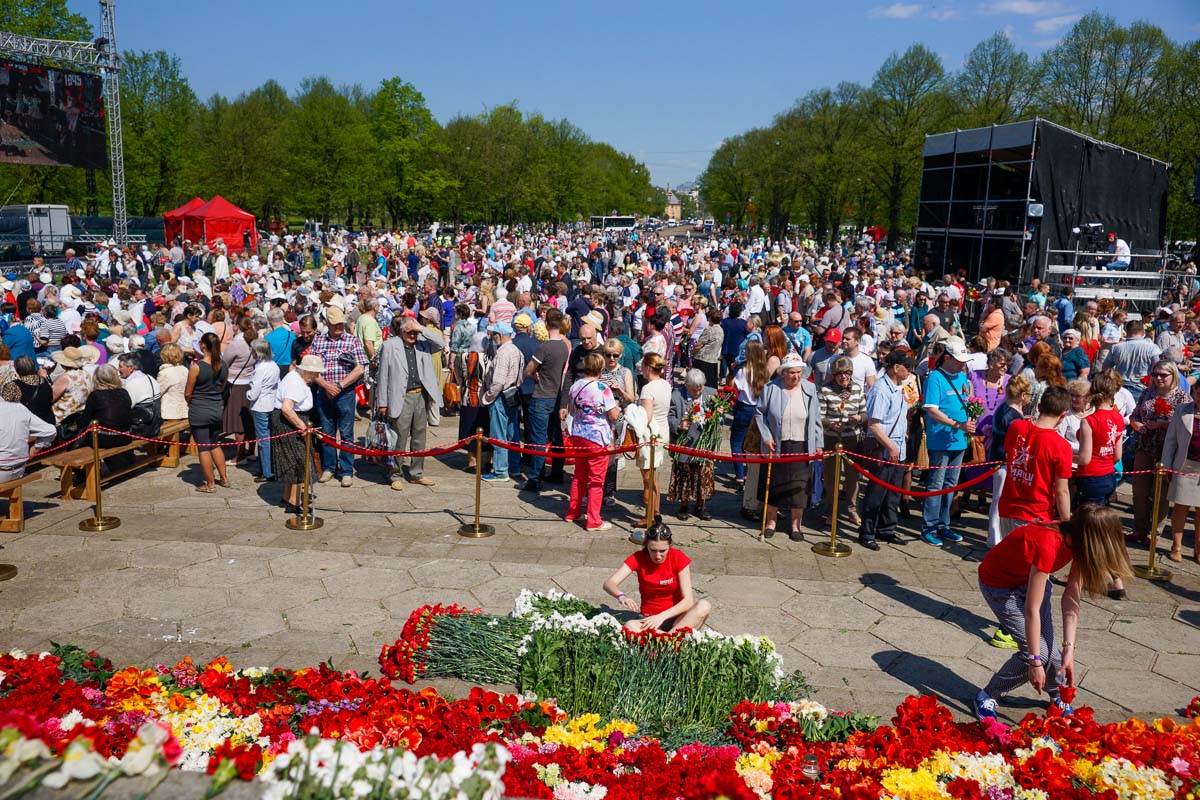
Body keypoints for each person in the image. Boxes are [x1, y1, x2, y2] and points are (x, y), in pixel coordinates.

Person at [973, 504, 1133, 722]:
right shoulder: (1049, 543)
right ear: (1093, 541)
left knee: (1056, 657)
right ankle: (987, 695)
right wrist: (1035, 663)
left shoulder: (1078, 543)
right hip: (1000, 587)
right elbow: (1032, 610)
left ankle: (1056, 696)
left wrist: (1069, 650)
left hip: (1030, 579)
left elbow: (1071, 598)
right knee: (1035, 653)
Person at [602, 516, 711, 632]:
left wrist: (662, 616)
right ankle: (672, 640)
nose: (658, 556)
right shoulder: (638, 558)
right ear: (646, 546)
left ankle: (667, 639)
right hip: (650, 618)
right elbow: (609, 583)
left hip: (677, 617)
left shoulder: (678, 557)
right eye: (653, 550)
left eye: (663, 551)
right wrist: (621, 596)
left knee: (704, 606)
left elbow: (688, 601)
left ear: (670, 545)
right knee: (630, 626)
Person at [755, 352, 822, 540]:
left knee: (799, 488)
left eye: (799, 372)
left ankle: (795, 525)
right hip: (777, 444)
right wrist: (766, 437)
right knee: (774, 486)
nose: (795, 376)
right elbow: (760, 413)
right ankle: (771, 522)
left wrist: (818, 444)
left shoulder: (809, 389)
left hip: (801, 444)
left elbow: (815, 418)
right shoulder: (771, 388)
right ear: (783, 372)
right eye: (791, 372)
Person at [376, 315, 444, 490]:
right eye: (409, 332)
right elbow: (382, 376)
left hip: (420, 395)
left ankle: (416, 473)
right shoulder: (390, 346)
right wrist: (382, 402)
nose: (412, 335)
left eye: (415, 332)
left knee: (420, 435)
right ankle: (395, 473)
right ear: (401, 330)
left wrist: (421, 328)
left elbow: (441, 343)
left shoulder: (423, 343)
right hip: (401, 396)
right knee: (399, 435)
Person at [996, 386, 1073, 540]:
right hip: (1035, 514)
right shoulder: (1061, 446)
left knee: (1010, 558)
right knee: (1026, 563)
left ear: (1039, 407)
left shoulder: (1016, 427)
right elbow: (1061, 491)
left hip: (1007, 508)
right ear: (1064, 414)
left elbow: (1008, 453)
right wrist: (1066, 522)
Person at [920, 338, 976, 546]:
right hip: (940, 439)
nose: (963, 364)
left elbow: (968, 402)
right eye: (959, 360)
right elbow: (931, 409)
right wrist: (957, 425)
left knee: (951, 484)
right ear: (947, 357)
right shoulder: (934, 377)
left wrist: (970, 417)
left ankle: (944, 524)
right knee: (936, 484)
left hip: (959, 440)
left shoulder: (962, 376)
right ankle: (929, 526)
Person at [859, 350, 915, 550]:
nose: (908, 370)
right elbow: (874, 424)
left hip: (899, 447)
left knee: (892, 493)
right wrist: (890, 446)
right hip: (885, 448)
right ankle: (867, 532)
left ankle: (887, 529)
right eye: (905, 367)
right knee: (877, 492)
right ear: (895, 367)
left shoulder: (900, 387)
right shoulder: (880, 389)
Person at [1128, 359, 1188, 547]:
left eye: (1163, 375)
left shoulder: (1182, 398)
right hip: (1145, 445)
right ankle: (1139, 528)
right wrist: (1136, 424)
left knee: (1161, 492)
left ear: (1173, 376)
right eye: (1156, 374)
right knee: (1139, 489)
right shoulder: (1147, 393)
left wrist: (1163, 425)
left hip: (1167, 449)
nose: (1159, 378)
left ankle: (1155, 531)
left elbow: (1186, 425)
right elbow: (1135, 414)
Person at [308, 306, 368, 487]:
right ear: (327, 324)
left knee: (347, 433)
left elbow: (360, 367)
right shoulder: (319, 342)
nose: (339, 327)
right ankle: (329, 467)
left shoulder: (352, 341)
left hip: (345, 392)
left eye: (341, 324)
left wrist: (341, 385)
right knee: (327, 433)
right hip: (324, 392)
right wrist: (325, 385)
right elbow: (311, 368)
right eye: (335, 325)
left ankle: (346, 470)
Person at [563, 351, 621, 531]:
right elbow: (612, 414)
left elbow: (572, 411)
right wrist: (618, 407)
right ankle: (594, 520)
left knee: (579, 475)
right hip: (597, 437)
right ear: (601, 369)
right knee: (597, 480)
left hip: (579, 434)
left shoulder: (576, 386)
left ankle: (572, 511)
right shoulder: (603, 389)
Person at [522, 308, 571, 493]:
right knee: (556, 436)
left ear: (546, 324)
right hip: (556, 396)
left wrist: (535, 374)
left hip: (541, 396)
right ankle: (557, 472)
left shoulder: (545, 347)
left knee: (538, 439)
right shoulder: (564, 346)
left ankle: (535, 477)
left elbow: (528, 370)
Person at [273, 354, 324, 515]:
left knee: (293, 460)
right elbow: (287, 408)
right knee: (298, 462)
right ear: (307, 371)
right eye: (315, 373)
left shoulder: (295, 378)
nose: (317, 377)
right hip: (289, 423)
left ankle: (288, 497)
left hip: (291, 421)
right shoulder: (295, 382)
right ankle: (294, 502)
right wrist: (302, 426)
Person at [819, 356, 866, 527]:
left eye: (847, 373)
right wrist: (831, 424)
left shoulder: (858, 390)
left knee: (853, 477)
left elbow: (865, 413)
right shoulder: (825, 390)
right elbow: (820, 415)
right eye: (840, 374)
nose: (844, 377)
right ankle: (831, 511)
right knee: (832, 478)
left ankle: (852, 510)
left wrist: (858, 418)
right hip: (831, 439)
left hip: (852, 439)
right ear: (833, 375)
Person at [667, 368, 717, 521]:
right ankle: (684, 505)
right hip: (686, 442)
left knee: (703, 475)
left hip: (704, 443)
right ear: (687, 386)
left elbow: (719, 417)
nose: (698, 391)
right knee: (685, 474)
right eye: (694, 389)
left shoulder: (712, 393)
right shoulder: (676, 396)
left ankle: (701, 506)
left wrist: (718, 415)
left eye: (700, 387)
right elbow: (669, 416)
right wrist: (678, 424)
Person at [1160, 377, 1200, 563]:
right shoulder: (1182, 410)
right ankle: (1176, 546)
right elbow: (1171, 441)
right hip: (1184, 465)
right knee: (1180, 508)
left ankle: (1198, 549)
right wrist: (1167, 466)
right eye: (1198, 394)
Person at [186, 332, 230, 493]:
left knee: (203, 447)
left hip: (199, 409)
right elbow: (223, 386)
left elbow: (188, 393)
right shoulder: (223, 365)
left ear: (203, 345)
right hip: (216, 408)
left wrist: (192, 403)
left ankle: (210, 483)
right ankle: (224, 478)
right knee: (214, 443)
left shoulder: (197, 367)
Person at [481, 320, 524, 483]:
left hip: (500, 396)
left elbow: (498, 382)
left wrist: (488, 397)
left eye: (493, 334)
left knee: (498, 434)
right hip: (513, 394)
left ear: (500, 335)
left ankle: (500, 470)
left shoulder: (502, 353)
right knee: (512, 433)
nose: (492, 337)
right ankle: (514, 467)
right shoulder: (516, 351)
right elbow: (519, 376)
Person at [636, 352, 671, 527]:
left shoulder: (647, 389)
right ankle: (655, 513)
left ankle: (649, 516)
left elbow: (647, 416)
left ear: (648, 368)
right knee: (654, 476)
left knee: (647, 479)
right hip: (663, 432)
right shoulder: (666, 384)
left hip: (650, 435)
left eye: (643, 366)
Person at [0, 379, 55, 483]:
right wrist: (36, 448)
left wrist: (36, 448)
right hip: (19, 469)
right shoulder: (23, 409)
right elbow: (50, 430)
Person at [245, 338, 280, 483]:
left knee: (263, 439)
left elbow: (254, 393)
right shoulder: (274, 365)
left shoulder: (260, 369)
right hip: (271, 403)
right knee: (266, 438)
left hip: (260, 405)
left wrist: (247, 394)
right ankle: (265, 467)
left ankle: (267, 471)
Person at [157, 342, 189, 421]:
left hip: (170, 414)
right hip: (185, 410)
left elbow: (158, 393)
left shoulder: (164, 373)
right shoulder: (185, 370)